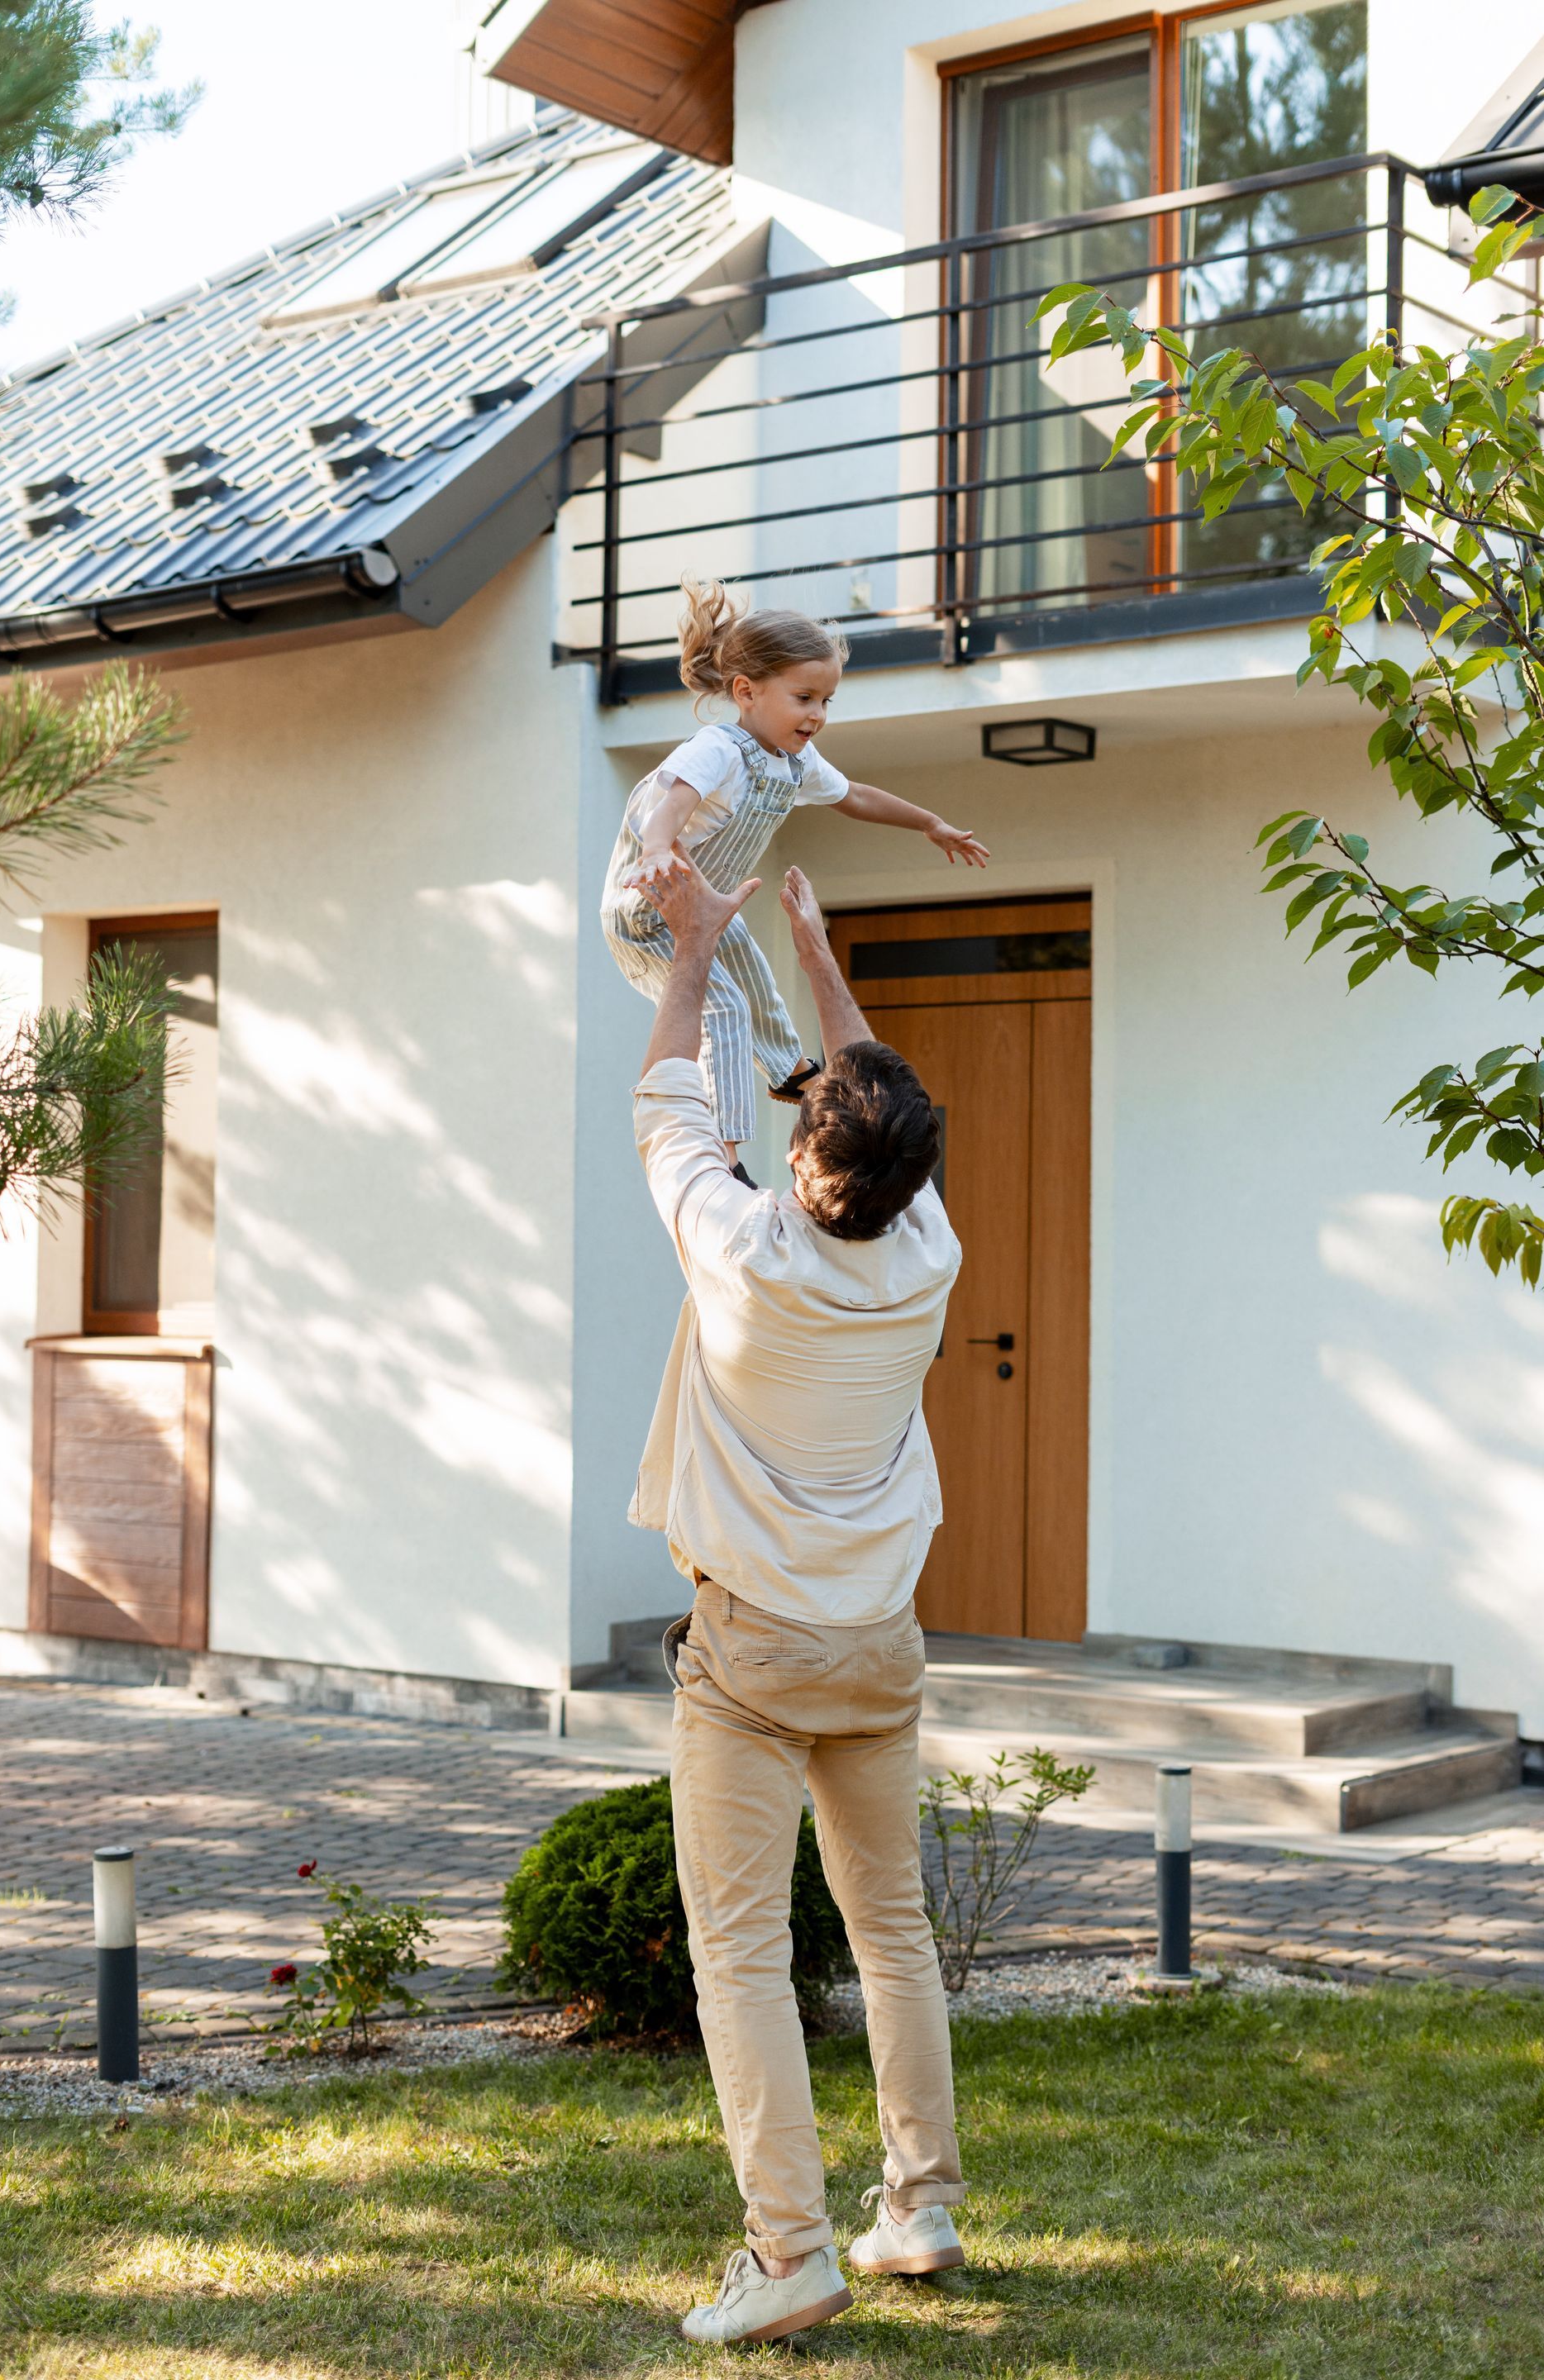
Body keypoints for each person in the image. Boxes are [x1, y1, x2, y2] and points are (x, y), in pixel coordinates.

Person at [629, 850, 967, 2347]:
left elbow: (667, 1098)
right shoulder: (929, 1256)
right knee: (890, 1934)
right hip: (879, 1646)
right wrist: (817, 946)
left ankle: (790, 2252)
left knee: (743, 1957)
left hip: (754, 1652)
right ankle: (923, 2209)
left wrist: (703, 942)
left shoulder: (742, 1254)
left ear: (809, 1156)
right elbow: (872, 1097)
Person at [603, 576, 989, 1173]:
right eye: (804, 698)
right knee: (725, 1009)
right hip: (648, 917)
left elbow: (855, 795)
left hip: (706, 906)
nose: (817, 715)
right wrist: (656, 847)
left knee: (755, 974)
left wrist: (929, 823)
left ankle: (790, 1070)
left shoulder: (795, 761)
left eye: (826, 701)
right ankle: (726, 1152)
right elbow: (670, 805)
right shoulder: (718, 749)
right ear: (746, 692)